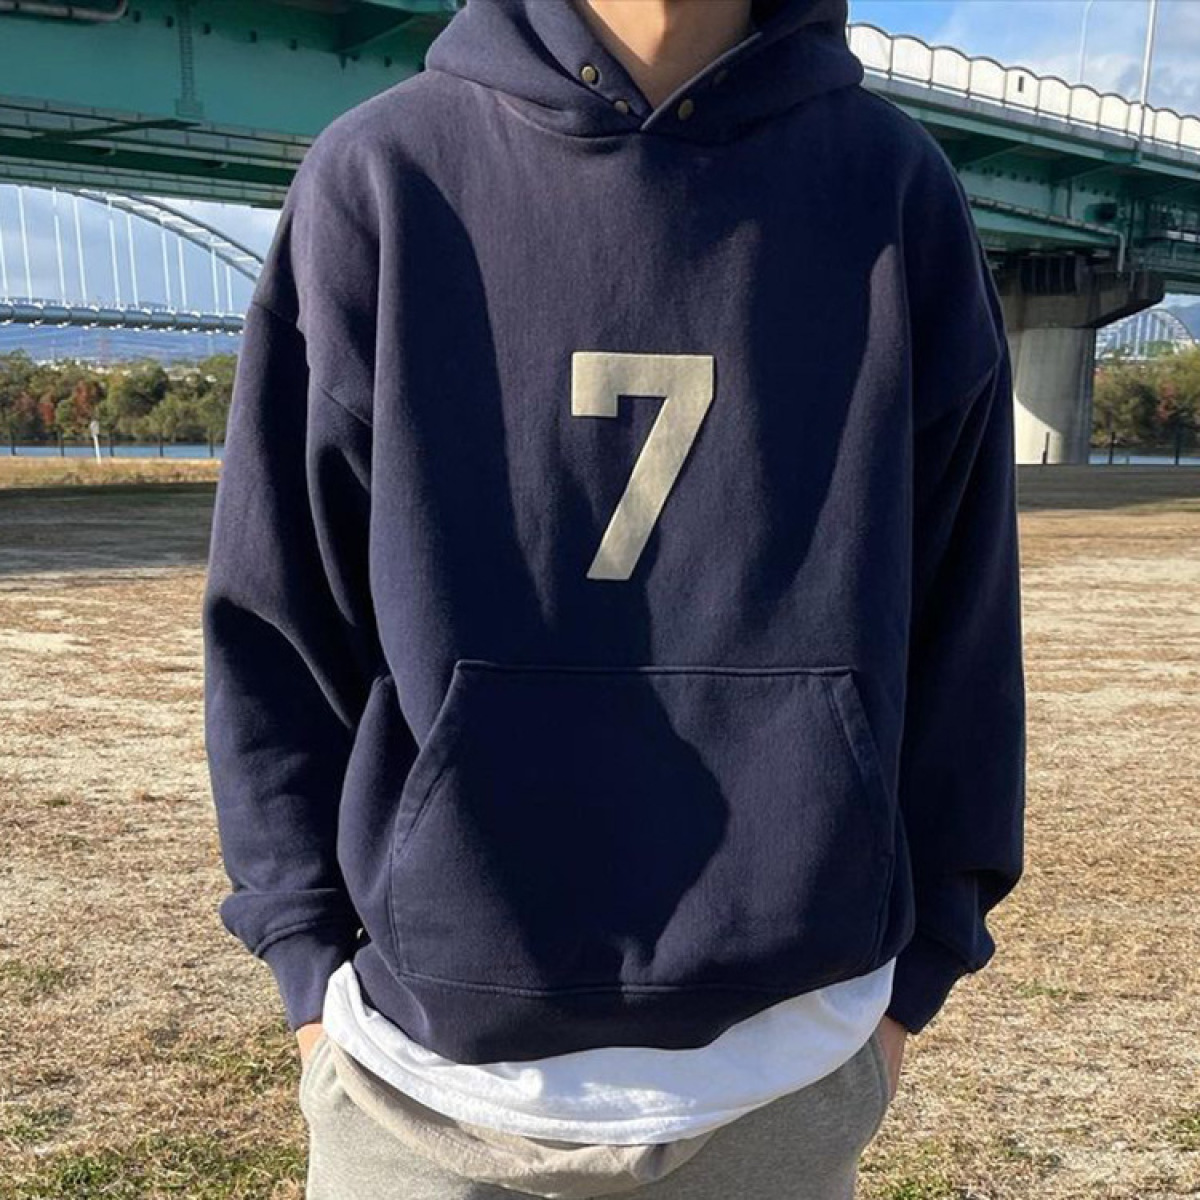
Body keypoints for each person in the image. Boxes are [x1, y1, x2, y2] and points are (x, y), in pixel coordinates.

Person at [201, 0, 1027, 1195]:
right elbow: (276, 628)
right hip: (417, 1088)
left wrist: (916, 983)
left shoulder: (894, 192)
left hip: (789, 1075)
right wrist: (306, 970)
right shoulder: (382, 177)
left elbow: (965, 638)